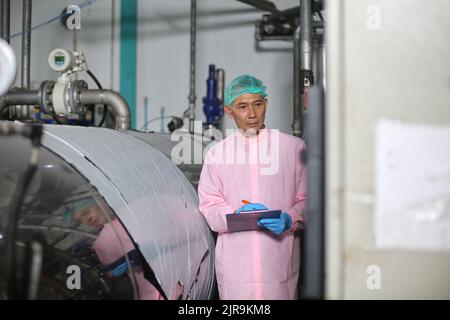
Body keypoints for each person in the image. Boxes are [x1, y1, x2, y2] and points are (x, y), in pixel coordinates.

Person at [198, 74, 307, 300]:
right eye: (242, 106)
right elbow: (209, 205)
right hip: (237, 267)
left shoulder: (292, 148)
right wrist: (232, 215)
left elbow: (310, 200)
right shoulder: (218, 154)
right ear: (229, 112)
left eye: (258, 104)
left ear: (266, 104)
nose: (252, 114)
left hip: (278, 263)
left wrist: (290, 218)